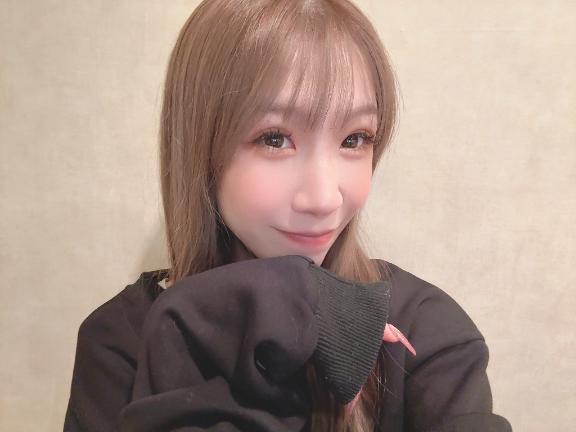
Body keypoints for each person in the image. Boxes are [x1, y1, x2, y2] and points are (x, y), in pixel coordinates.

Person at [63, 0, 513, 431]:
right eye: (274, 138)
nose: (324, 199)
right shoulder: (120, 343)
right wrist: (213, 319)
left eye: (354, 138)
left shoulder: (422, 331)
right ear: (202, 148)